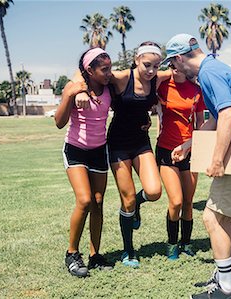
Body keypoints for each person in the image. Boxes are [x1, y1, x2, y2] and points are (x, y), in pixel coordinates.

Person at [166, 33, 231, 299]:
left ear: (179, 58)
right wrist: (190, 143)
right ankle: (224, 277)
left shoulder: (209, 73)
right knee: (222, 217)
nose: (173, 70)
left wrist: (217, 159)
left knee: (211, 217)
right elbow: (216, 117)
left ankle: (227, 287)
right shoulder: (216, 67)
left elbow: (227, 115)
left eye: (172, 64)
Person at [72, 41, 171, 268]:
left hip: (140, 141)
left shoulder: (158, 77)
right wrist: (80, 90)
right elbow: (81, 71)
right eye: (146, 65)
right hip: (117, 143)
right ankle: (129, 251)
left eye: (156, 66)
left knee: (154, 191)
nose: (151, 71)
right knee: (125, 201)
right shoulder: (120, 77)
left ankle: (137, 204)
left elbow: (180, 70)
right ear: (136, 60)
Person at [55, 48, 114, 277]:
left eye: (110, 68)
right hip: (75, 151)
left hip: (99, 150)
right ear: (90, 70)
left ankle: (95, 254)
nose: (109, 73)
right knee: (85, 199)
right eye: (104, 69)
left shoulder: (108, 87)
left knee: (98, 202)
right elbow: (59, 123)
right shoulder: (74, 87)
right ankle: (72, 253)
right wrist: (71, 94)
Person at [156, 64, 206, 260]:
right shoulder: (162, 85)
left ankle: (186, 243)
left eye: (179, 66)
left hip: (190, 150)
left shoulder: (196, 90)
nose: (175, 70)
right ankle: (172, 244)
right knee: (175, 201)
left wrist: (198, 147)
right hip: (166, 149)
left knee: (188, 202)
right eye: (171, 66)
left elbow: (200, 122)